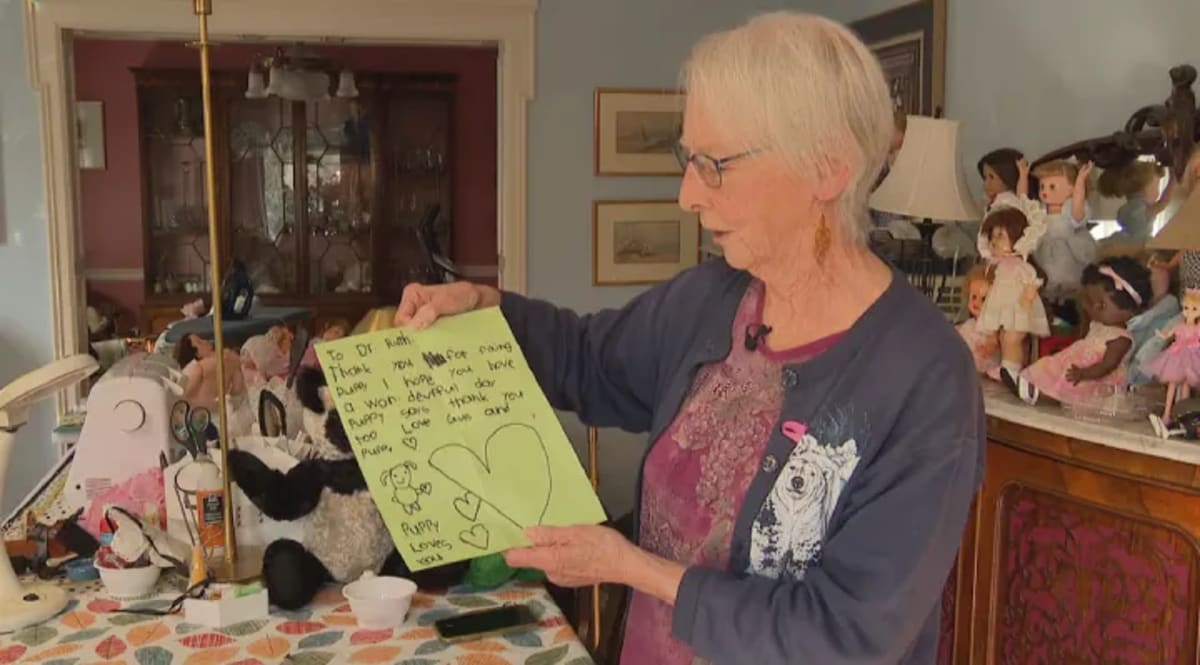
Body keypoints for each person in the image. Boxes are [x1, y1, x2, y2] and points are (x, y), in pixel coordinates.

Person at [394, 12, 984, 664]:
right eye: (687, 159)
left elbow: (843, 635)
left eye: (714, 164)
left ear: (828, 168)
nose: (686, 195)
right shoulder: (710, 298)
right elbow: (589, 360)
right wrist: (487, 307)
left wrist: (632, 567)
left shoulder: (923, 377)